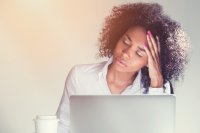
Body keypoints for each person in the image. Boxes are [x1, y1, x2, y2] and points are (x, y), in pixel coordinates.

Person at [56, 2, 189, 133]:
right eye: (125, 41)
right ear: (117, 37)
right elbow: (62, 127)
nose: (125, 54)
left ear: (150, 61)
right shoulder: (80, 76)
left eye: (139, 53)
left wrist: (157, 83)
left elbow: (160, 130)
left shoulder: (159, 88)